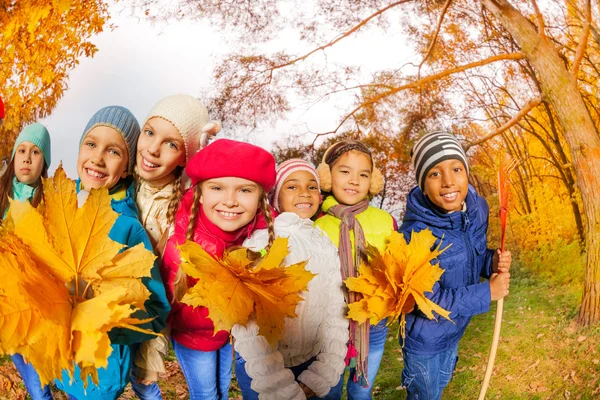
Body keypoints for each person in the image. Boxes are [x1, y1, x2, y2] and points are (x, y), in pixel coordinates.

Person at [55, 105, 170, 400]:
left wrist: (107, 327)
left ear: (127, 166)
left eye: (113, 151)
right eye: (91, 144)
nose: (97, 157)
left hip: (101, 371)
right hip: (61, 361)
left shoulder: (127, 227)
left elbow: (156, 310)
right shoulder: (61, 207)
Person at [399, 131, 512, 400]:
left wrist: (491, 261)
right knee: (427, 396)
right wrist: (488, 293)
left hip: (453, 333)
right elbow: (428, 302)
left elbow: (470, 258)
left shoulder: (475, 210)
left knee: (441, 385)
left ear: (466, 172)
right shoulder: (416, 235)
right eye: (435, 174)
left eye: (456, 168)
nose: (449, 181)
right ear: (422, 185)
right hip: (425, 344)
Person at [161, 138, 276, 400]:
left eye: (245, 190)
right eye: (217, 188)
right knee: (206, 394)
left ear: (260, 198)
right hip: (194, 338)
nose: (230, 201)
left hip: (227, 336)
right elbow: (172, 305)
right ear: (200, 194)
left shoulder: (258, 237)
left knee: (222, 390)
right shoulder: (182, 245)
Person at [233, 159, 349, 400]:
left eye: (312, 186)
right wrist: (276, 384)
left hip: (313, 361)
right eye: (292, 186)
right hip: (266, 369)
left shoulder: (324, 243)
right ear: (276, 196)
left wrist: (326, 369)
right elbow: (250, 323)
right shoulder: (261, 242)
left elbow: (335, 310)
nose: (304, 192)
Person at [132, 94, 220, 398]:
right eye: (150, 132)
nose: (153, 149)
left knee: (144, 381)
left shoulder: (184, 202)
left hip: (156, 307)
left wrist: (204, 161)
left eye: (171, 144)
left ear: (185, 156)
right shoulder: (124, 185)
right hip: (117, 296)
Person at [314, 140, 396, 399]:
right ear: (327, 176)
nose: (354, 180)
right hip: (329, 326)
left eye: (363, 174)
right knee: (328, 389)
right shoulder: (317, 224)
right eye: (345, 171)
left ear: (373, 181)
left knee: (361, 391)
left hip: (373, 323)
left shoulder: (385, 221)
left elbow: (395, 267)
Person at [1, 123, 53, 400]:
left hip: (35, 304)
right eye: (21, 150)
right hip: (6, 298)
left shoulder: (50, 200)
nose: (27, 157)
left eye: (35, 152)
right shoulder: (2, 195)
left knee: (37, 383)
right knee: (20, 359)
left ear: (43, 162)